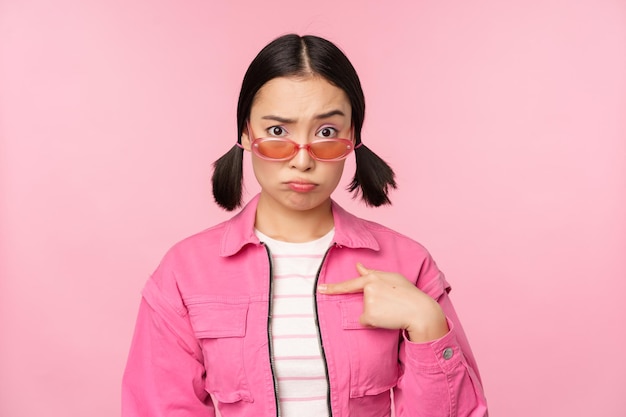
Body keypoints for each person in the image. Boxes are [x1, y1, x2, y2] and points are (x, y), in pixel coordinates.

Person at [122, 34, 488, 417]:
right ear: (246, 133)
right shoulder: (184, 273)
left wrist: (427, 323)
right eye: (278, 132)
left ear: (353, 138)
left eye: (326, 133)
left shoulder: (408, 263)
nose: (302, 160)